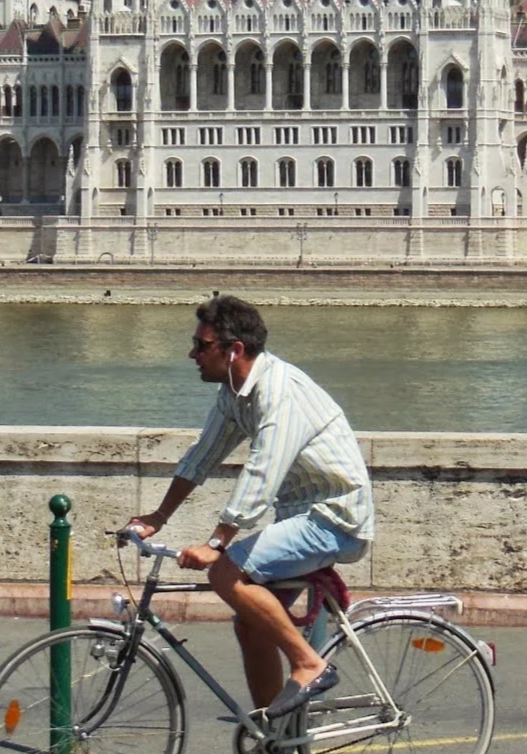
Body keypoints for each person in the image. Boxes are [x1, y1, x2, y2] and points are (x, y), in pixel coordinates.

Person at [124, 295, 374, 717]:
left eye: (202, 346)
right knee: (249, 621)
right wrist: (157, 517)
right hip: (299, 518)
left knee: (226, 572)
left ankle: (310, 665)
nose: (193, 354)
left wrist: (218, 542)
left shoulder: (279, 390)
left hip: (335, 518)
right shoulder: (234, 393)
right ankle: (272, 734)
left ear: (233, 349)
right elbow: (202, 456)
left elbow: (263, 470)